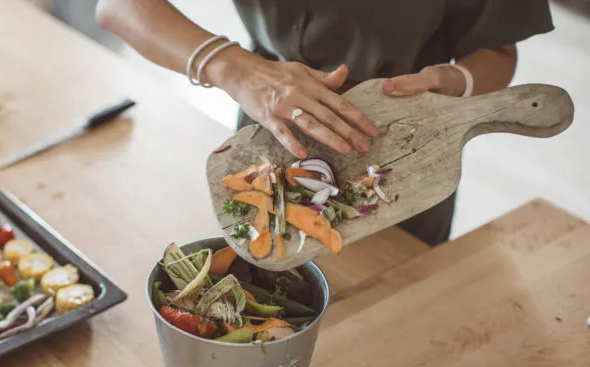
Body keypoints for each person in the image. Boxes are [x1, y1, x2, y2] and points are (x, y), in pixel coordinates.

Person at [96, 0, 554, 245]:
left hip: (407, 147)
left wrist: (457, 80)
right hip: (271, 132)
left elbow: (497, 49)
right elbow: (119, 6)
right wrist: (234, 68)